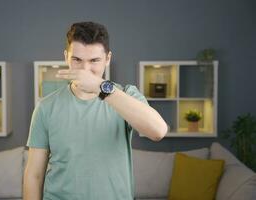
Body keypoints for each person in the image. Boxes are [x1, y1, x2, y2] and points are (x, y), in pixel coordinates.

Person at [23, 21, 168, 200]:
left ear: (107, 59)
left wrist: (101, 87)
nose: (85, 70)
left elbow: (158, 131)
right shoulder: (45, 107)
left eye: (94, 60)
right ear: (66, 57)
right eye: (77, 60)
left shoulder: (126, 96)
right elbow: (34, 175)